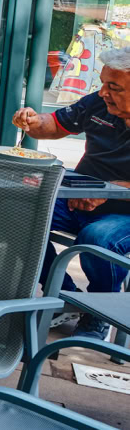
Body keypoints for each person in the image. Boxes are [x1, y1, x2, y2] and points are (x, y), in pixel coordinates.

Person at [14, 51, 130, 298]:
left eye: (113, 87)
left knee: (97, 237)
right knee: (13, 212)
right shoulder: (98, 103)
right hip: (76, 200)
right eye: (102, 84)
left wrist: (107, 192)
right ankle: (64, 296)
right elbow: (55, 124)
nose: (103, 92)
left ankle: (100, 309)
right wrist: (34, 121)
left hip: (124, 215)